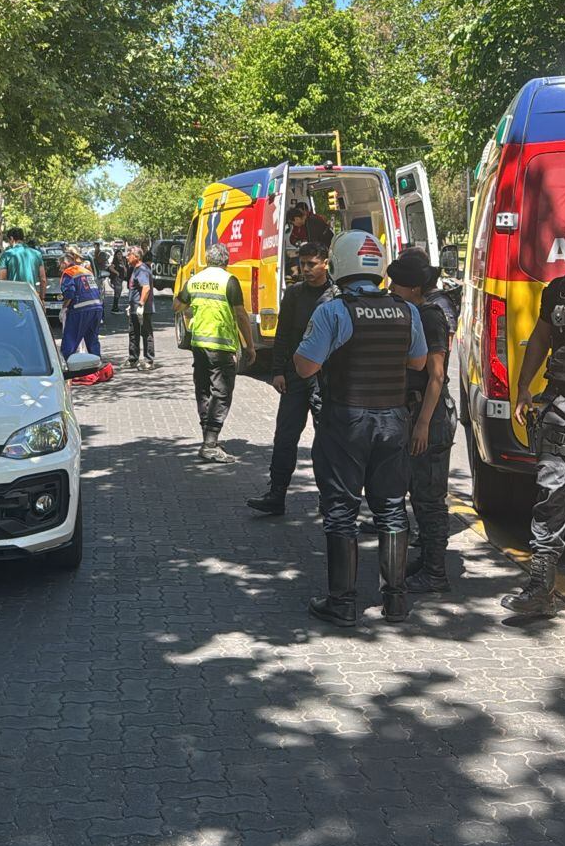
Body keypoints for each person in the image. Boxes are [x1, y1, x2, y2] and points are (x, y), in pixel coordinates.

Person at [294, 231, 427, 626]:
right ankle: (396, 601)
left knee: (341, 512)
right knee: (391, 509)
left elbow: (305, 367)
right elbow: (418, 364)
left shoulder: (334, 310)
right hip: (393, 422)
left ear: (340, 265)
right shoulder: (406, 310)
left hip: (346, 422)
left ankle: (344, 603)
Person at [502, 215, 565, 620]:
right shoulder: (557, 291)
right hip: (561, 403)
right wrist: (523, 388)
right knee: (551, 493)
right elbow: (539, 338)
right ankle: (541, 588)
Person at [386, 248, 457, 595]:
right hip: (415, 413)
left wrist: (423, 424)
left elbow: (436, 376)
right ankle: (427, 560)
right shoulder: (410, 312)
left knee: (430, 499)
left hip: (429, 416)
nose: (391, 287)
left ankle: (435, 572)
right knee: (419, 495)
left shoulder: (429, 316)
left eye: (397, 283)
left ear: (414, 287)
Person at [247, 241, 334, 514]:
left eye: (311, 264)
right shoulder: (295, 294)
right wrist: (277, 372)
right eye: (302, 264)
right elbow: (282, 335)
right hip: (295, 377)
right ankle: (277, 493)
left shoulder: (336, 296)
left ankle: (329, 497)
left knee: (327, 441)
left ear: (326, 263)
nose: (305, 269)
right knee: (285, 437)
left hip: (324, 380)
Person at [175, 241, 256, 461]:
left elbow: (178, 306)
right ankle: (210, 444)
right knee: (221, 393)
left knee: (203, 390)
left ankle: (207, 437)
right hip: (221, 345)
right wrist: (249, 345)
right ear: (226, 261)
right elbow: (240, 315)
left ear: (208, 259)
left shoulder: (195, 280)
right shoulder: (229, 281)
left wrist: (196, 311)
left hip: (199, 345)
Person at [60, 247, 104, 361]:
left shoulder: (68, 273)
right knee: (92, 340)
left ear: (65, 263)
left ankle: (66, 366)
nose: (59, 268)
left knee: (70, 339)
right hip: (97, 308)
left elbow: (70, 292)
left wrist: (64, 308)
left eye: (60, 265)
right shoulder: (86, 271)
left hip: (80, 309)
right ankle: (96, 367)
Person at [125, 245, 155, 370]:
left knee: (146, 333)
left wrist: (141, 304)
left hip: (142, 309)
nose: (127, 257)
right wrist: (130, 305)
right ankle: (133, 359)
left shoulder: (142, 269)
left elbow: (146, 287)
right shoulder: (135, 269)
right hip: (134, 308)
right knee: (133, 333)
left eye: (129, 254)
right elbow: (135, 289)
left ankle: (149, 361)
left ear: (136, 256)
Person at [0, 227, 46, 299]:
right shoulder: (37, 254)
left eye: (9, 241)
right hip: (31, 298)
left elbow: (2, 278)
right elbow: (43, 279)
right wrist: (42, 298)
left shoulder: (7, 254)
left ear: (11, 238)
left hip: (13, 297)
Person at [108, 246, 128, 314]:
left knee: (118, 294)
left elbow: (126, 270)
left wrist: (123, 265)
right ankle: (115, 309)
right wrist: (117, 272)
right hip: (116, 279)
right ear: (116, 255)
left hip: (121, 279)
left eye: (120, 254)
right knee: (117, 293)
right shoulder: (115, 262)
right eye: (118, 254)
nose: (120, 255)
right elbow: (110, 268)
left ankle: (116, 307)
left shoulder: (124, 261)